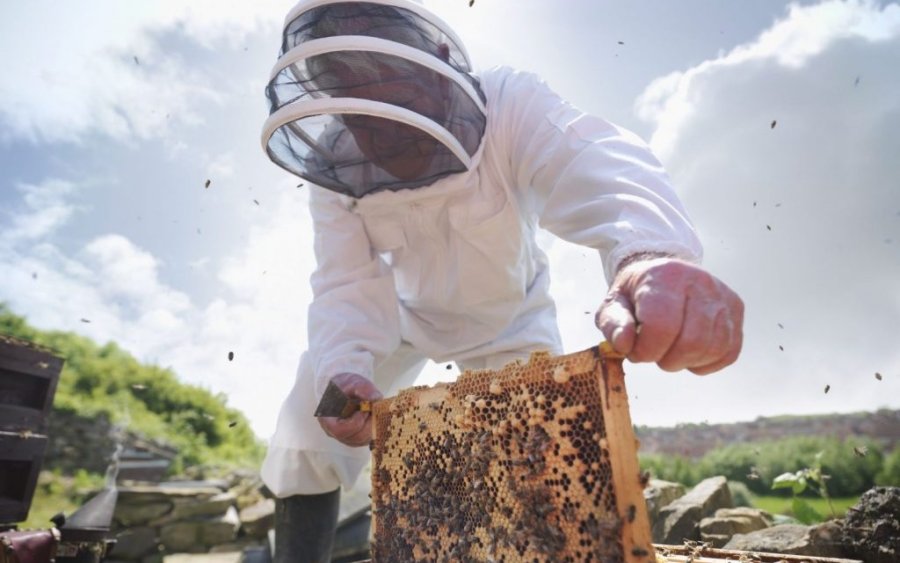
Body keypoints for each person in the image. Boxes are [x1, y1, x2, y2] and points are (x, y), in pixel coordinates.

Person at [259, 1, 744, 561]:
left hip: (510, 325)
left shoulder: (510, 103)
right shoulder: (334, 167)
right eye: (362, 114)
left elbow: (593, 159)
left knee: (540, 458)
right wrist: (347, 368)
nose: (385, 133)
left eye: (393, 95)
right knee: (307, 417)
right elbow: (344, 282)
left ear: (438, 57)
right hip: (403, 322)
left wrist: (650, 254)